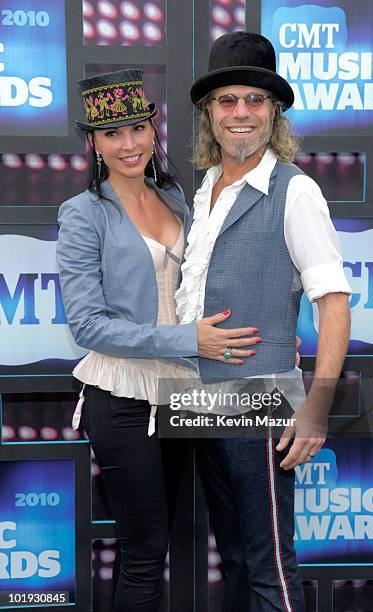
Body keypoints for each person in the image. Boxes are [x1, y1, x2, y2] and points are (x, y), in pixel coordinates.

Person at [55, 68, 261, 612]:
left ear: (153, 130)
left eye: (137, 129)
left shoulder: (174, 198)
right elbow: (88, 326)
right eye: (112, 134)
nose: (128, 145)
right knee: (144, 551)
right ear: (94, 143)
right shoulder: (82, 214)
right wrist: (186, 338)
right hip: (123, 396)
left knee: (173, 540)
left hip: (185, 392)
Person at [174, 32, 352, 611]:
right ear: (209, 114)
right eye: (228, 101)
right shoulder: (205, 191)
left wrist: (317, 407)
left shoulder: (295, 191)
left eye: (255, 100)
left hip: (259, 400)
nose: (241, 113)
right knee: (237, 559)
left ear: (273, 112)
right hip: (198, 399)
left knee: (270, 565)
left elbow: (333, 301)